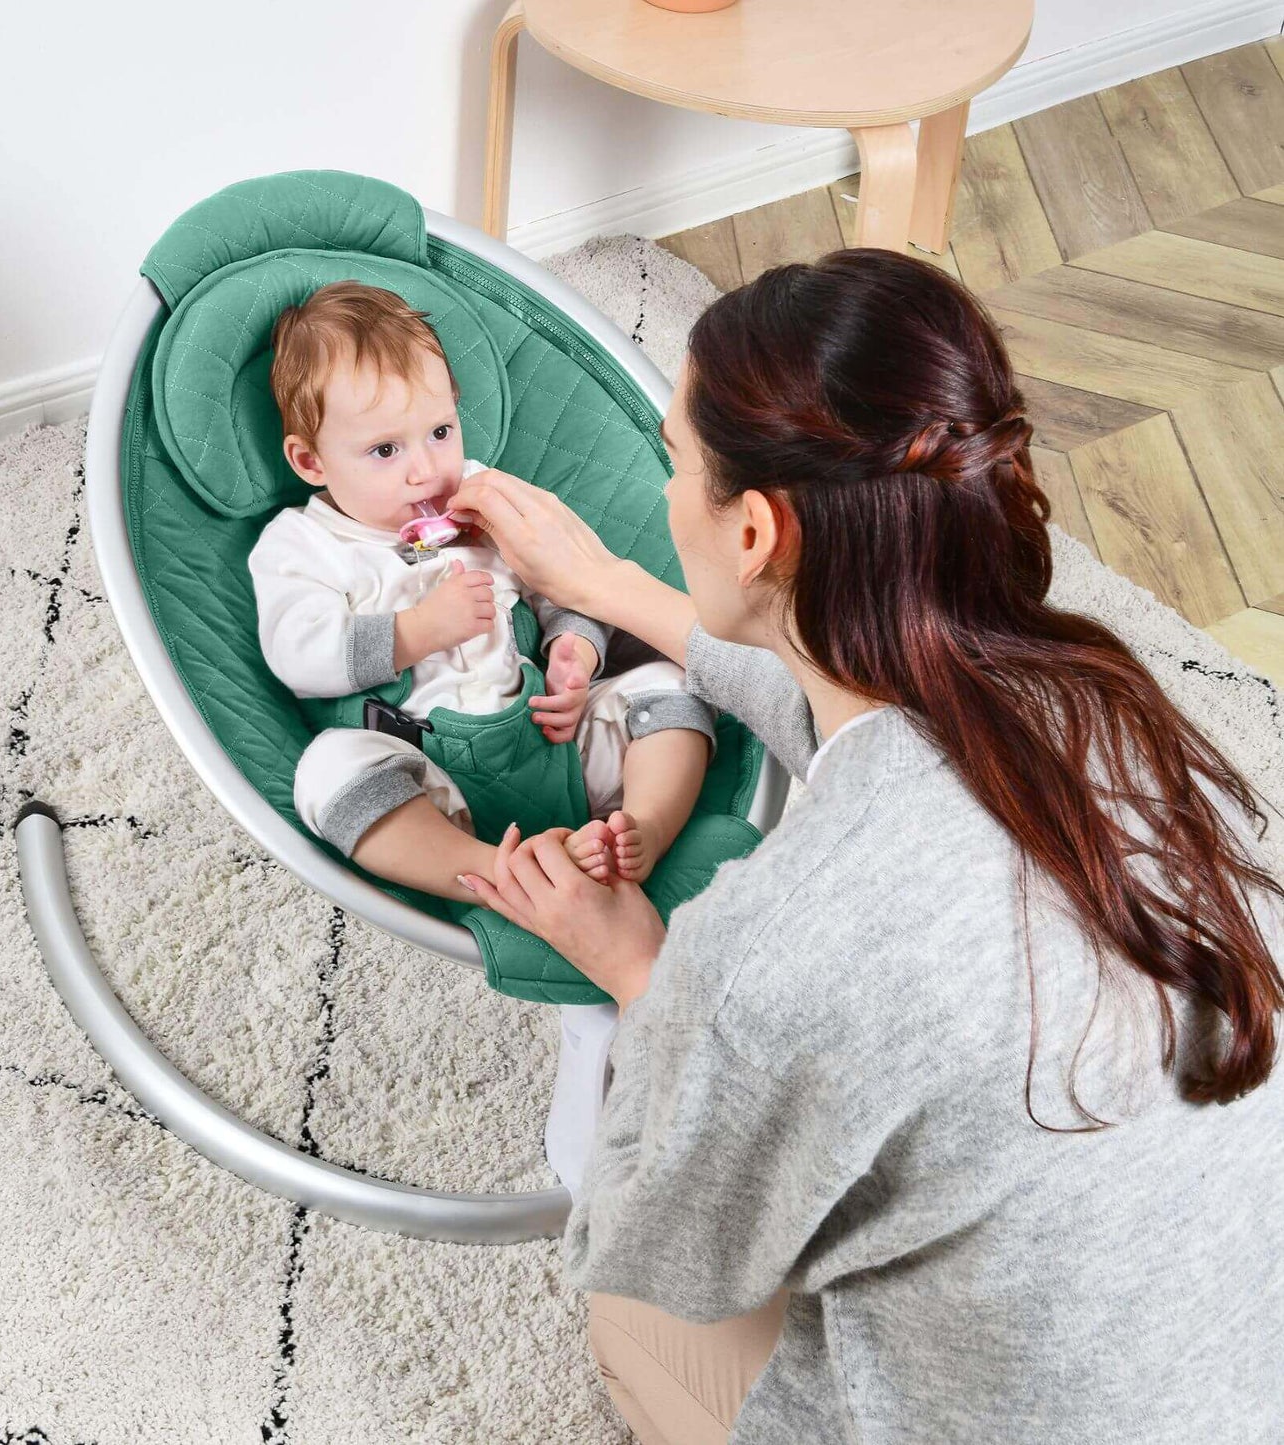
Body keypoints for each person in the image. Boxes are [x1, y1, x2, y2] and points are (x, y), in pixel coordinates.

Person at [446, 250, 1284, 1444]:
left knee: (630, 1328)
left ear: (751, 531)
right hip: (1247, 1376)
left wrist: (642, 970)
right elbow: (865, 714)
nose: (664, 486)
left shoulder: (767, 953)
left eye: (672, 462)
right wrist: (614, 587)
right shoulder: (1100, 701)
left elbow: (655, 1243)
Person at [248, 280, 717, 903]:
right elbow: (297, 653)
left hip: (553, 741)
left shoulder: (481, 496)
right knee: (327, 772)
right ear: (311, 463)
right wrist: (416, 631)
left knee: (672, 684)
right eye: (385, 449)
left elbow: (562, 584)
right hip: (430, 777)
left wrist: (576, 655)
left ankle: (643, 829)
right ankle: (493, 875)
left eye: (440, 431)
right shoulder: (300, 546)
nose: (426, 469)